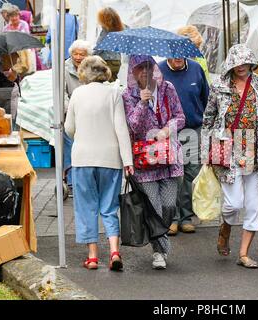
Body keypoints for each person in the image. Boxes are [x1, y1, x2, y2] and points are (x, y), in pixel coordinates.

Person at [201, 44, 258, 268]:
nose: (241, 67)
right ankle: (226, 227)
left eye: (245, 62)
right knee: (233, 203)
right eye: (237, 63)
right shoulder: (219, 86)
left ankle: (244, 254)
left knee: (254, 204)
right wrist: (204, 150)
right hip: (228, 149)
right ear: (230, 63)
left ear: (251, 63)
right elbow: (208, 119)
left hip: (257, 152)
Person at [64, 55, 133, 271]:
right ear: (105, 72)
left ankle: (93, 256)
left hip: (83, 157)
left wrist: (82, 136)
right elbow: (122, 129)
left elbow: (69, 128)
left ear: (83, 72)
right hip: (110, 159)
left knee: (86, 207)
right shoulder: (114, 94)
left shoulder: (77, 94)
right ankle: (114, 251)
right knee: (109, 207)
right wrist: (128, 160)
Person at [123, 55, 185, 270]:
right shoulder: (128, 95)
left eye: (149, 67)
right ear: (133, 72)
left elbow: (180, 116)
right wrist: (142, 101)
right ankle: (159, 251)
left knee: (168, 206)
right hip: (144, 162)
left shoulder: (168, 88)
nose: (145, 72)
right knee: (154, 208)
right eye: (140, 69)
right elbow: (132, 126)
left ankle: (161, 239)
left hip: (168, 158)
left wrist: (167, 130)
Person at [158, 57, 209, 235]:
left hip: (194, 129)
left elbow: (206, 98)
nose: (178, 57)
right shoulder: (159, 70)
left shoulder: (196, 69)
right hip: (169, 131)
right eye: (174, 53)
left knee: (190, 174)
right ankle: (172, 218)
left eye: (181, 54)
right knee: (173, 175)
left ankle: (186, 217)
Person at [63, 40, 93, 190]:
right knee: (69, 145)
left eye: (82, 54)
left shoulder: (92, 68)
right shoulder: (64, 69)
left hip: (89, 114)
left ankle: (86, 180)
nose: (78, 57)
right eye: (75, 53)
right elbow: (61, 94)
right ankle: (70, 181)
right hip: (70, 113)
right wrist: (72, 109)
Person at [93, 7, 124, 82]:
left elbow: (99, 47)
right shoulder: (119, 28)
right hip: (117, 61)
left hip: (107, 61)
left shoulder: (105, 31)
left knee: (105, 85)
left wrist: (90, 55)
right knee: (112, 84)